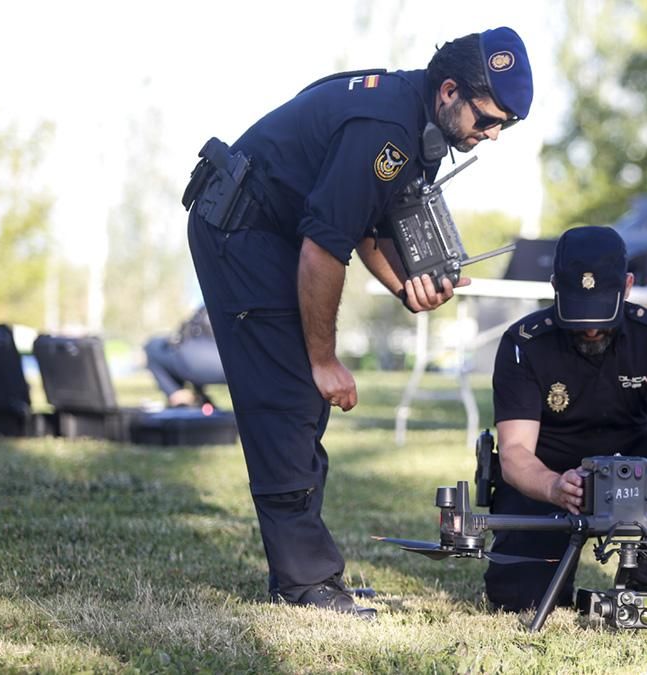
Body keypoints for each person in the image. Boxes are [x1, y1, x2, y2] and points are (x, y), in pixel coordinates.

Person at [182, 27, 533, 619]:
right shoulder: (386, 128)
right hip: (242, 229)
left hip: (278, 230)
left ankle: (308, 574)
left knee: (300, 403)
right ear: (450, 91)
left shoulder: (418, 121)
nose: (492, 134)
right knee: (288, 398)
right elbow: (325, 246)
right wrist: (324, 361)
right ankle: (305, 583)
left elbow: (365, 227)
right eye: (488, 118)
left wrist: (406, 286)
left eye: (506, 125)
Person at [484, 226, 647, 613]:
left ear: (627, 286)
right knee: (523, 601)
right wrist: (554, 486)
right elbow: (515, 451)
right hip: (551, 474)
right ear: (555, 287)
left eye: (601, 311)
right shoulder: (524, 343)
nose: (590, 328)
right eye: (578, 312)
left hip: (636, 466)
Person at [143, 305, 226, 408]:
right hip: (228, 357)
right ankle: (193, 401)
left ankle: (182, 400)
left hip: (223, 358)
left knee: (152, 348)